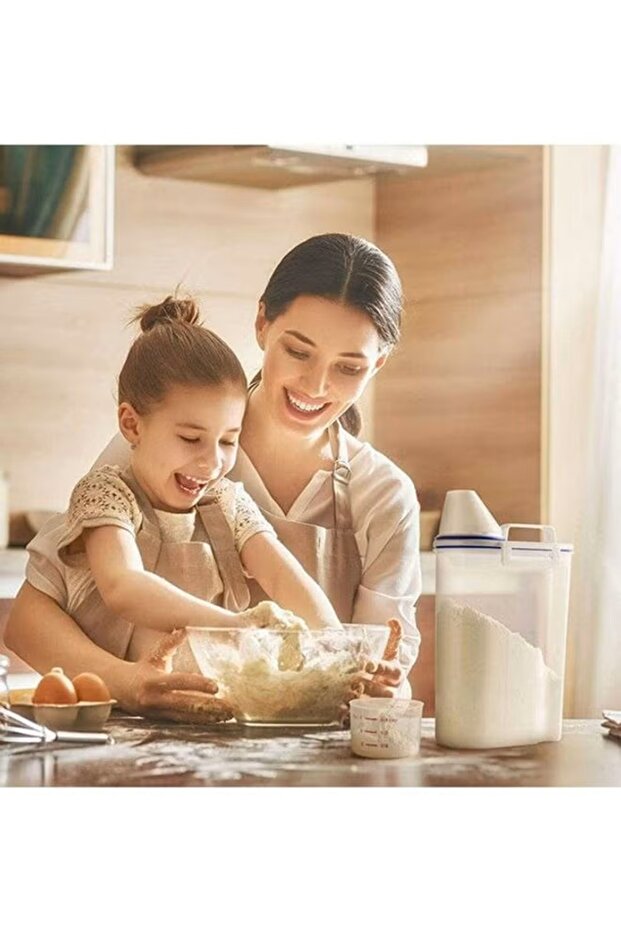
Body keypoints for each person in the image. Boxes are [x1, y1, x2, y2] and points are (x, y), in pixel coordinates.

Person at [6, 233, 421, 720]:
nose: (316, 385)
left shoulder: (383, 495)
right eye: (298, 351)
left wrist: (378, 685)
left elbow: (375, 669)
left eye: (348, 367)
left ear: (378, 364)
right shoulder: (160, 443)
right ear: (262, 324)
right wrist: (130, 684)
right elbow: (30, 621)